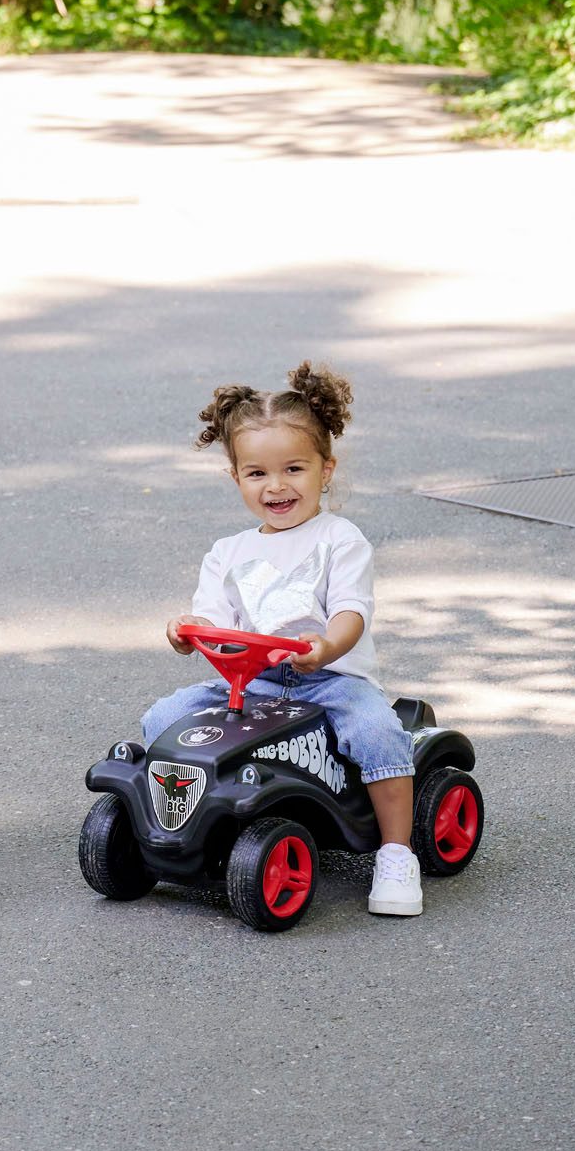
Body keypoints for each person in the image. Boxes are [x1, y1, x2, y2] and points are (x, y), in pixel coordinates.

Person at [143, 362, 423, 918]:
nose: (276, 486)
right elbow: (213, 622)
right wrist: (186, 634)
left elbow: (351, 610)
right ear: (236, 478)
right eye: (257, 474)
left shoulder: (340, 540)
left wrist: (325, 647)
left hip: (327, 679)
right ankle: (192, 825)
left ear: (325, 469)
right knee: (164, 718)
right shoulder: (228, 552)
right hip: (251, 683)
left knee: (375, 730)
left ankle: (396, 851)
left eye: (294, 468)